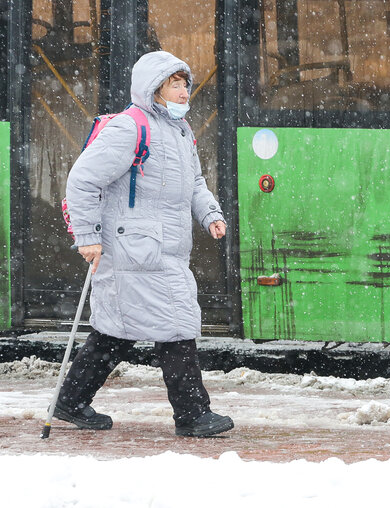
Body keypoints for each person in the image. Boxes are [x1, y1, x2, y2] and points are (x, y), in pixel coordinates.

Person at [55, 51, 233, 438]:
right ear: (154, 88)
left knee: (116, 330)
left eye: (186, 83)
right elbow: (82, 180)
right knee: (176, 326)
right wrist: (86, 237)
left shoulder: (180, 130)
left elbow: (195, 183)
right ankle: (192, 414)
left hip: (159, 249)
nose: (184, 91)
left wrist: (210, 215)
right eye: (175, 83)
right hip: (133, 252)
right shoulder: (129, 128)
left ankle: (70, 401)